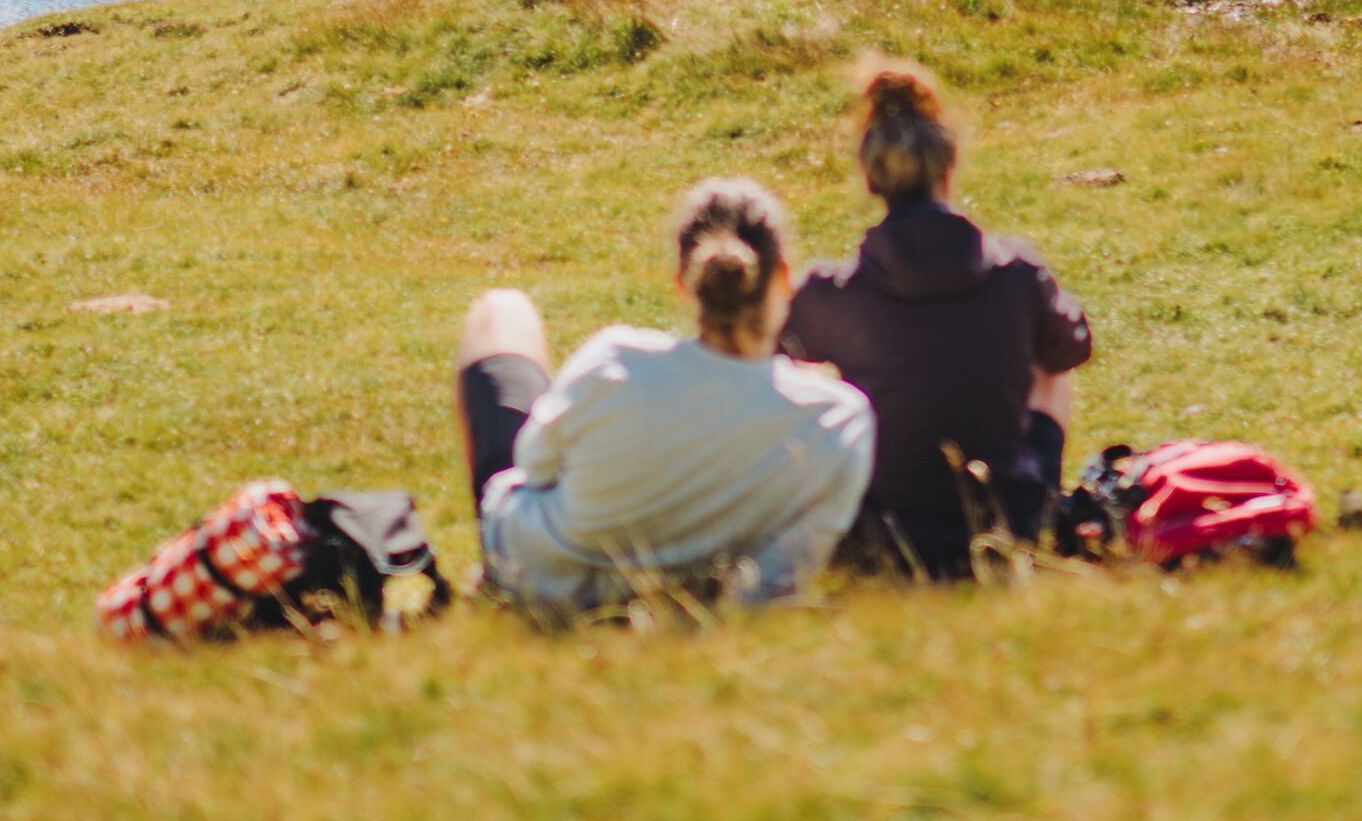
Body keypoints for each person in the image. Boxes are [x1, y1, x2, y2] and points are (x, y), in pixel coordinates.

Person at [454, 176, 874, 618]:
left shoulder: (614, 359)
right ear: (785, 277)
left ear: (683, 281)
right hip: (685, 601)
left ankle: (485, 586)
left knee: (502, 310)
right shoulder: (837, 419)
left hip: (539, 578)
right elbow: (780, 574)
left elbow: (534, 464)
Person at [779, 55, 1092, 574]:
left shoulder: (831, 292)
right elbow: (1072, 347)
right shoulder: (1017, 273)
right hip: (1010, 518)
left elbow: (757, 356)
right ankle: (1036, 501)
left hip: (881, 530)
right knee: (1050, 362)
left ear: (870, 176)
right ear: (949, 167)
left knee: (789, 375)